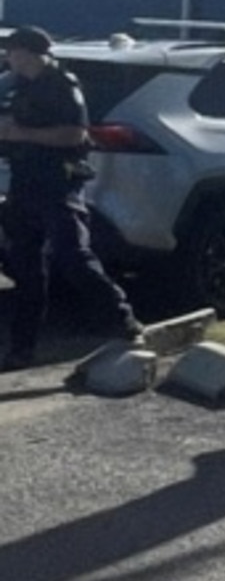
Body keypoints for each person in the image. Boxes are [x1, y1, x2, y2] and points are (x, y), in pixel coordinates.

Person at [0, 26, 143, 372]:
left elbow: (75, 134)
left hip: (57, 183)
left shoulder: (62, 86)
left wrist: (21, 133)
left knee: (72, 255)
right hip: (22, 184)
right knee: (26, 271)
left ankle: (122, 318)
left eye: (12, 51)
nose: (8, 57)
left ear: (29, 52)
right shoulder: (13, 85)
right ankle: (21, 348)